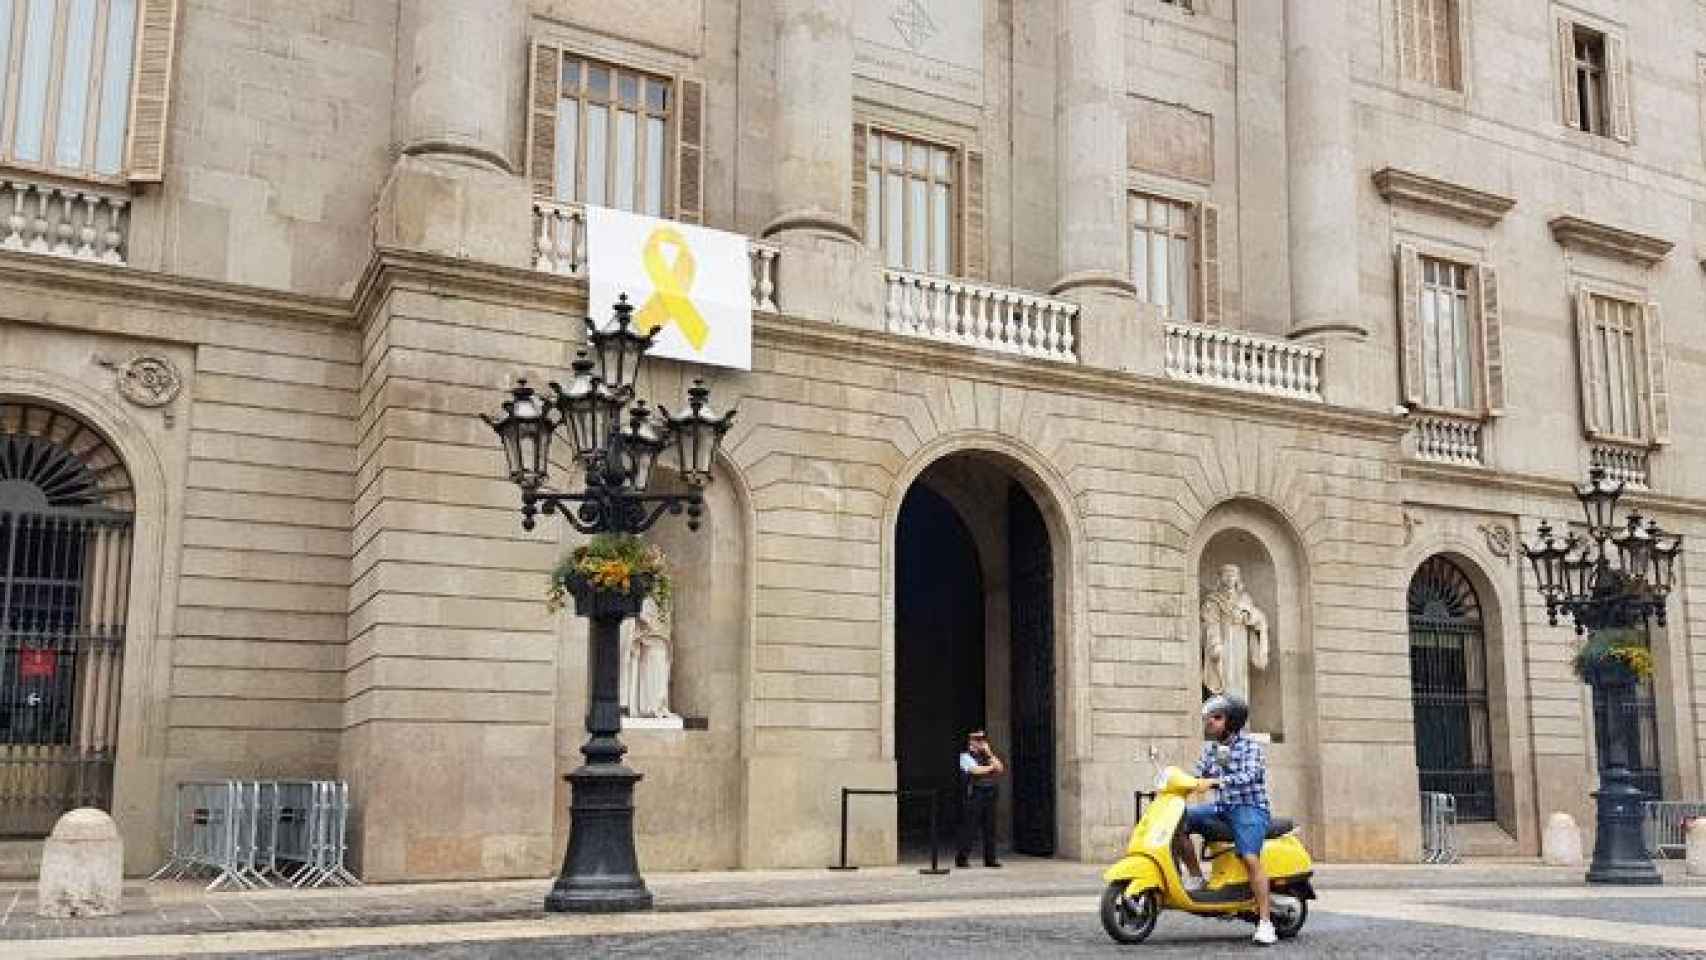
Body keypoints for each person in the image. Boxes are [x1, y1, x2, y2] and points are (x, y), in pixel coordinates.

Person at [1172, 694, 1277, 946]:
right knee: (1176, 821)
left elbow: (1250, 776)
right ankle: (1196, 876)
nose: (1210, 722)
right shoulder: (1212, 749)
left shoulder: (1251, 747)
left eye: (1217, 718)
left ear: (1232, 722)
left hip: (1250, 808)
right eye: (1210, 717)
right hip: (1222, 807)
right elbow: (1198, 775)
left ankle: (1265, 922)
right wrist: (1176, 784)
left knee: (1250, 858)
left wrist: (1218, 781)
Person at [955, 728, 1005, 869]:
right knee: (970, 827)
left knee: (990, 827)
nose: (979, 743)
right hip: (974, 795)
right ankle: (962, 858)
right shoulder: (964, 756)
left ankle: (990, 859)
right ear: (970, 742)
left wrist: (989, 753)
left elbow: (1000, 768)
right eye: (976, 740)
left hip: (990, 793)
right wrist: (991, 767)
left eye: (981, 740)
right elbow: (975, 770)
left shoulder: (987, 756)